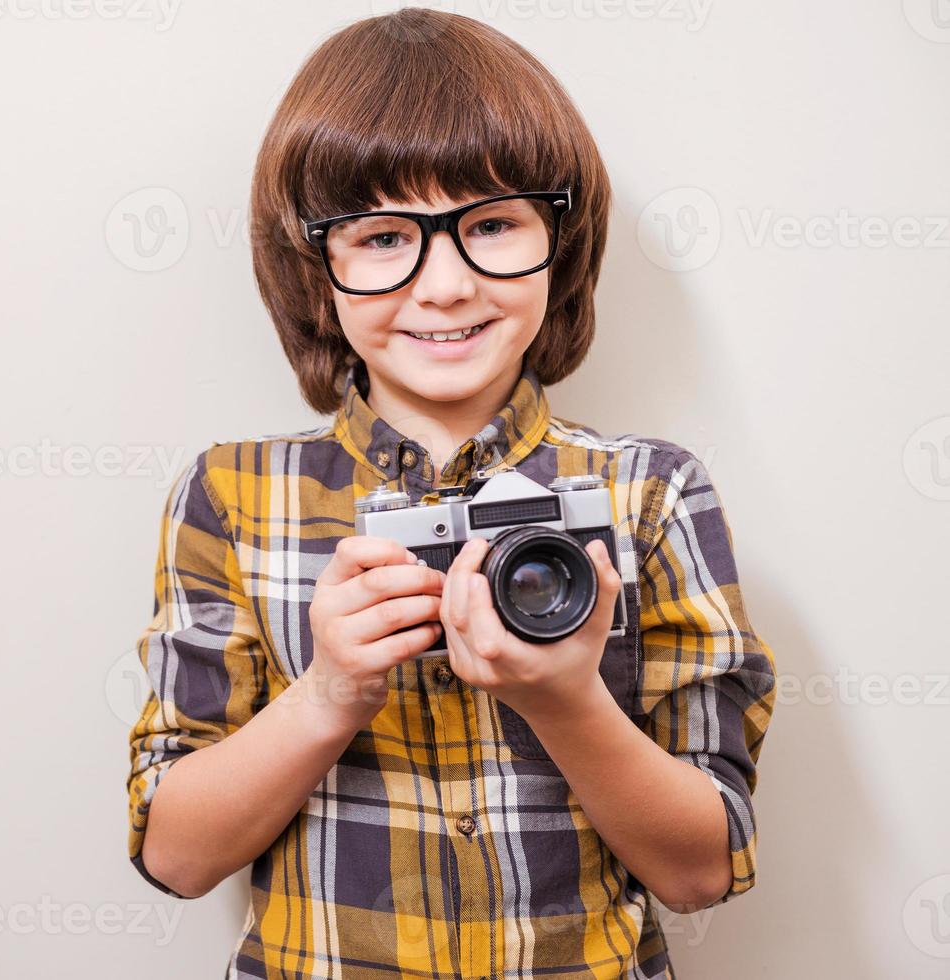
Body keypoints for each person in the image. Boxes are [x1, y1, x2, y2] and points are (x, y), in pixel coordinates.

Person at [124, 9, 777, 978]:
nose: (442, 283)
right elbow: (174, 853)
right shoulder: (230, 494)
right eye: (384, 236)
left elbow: (701, 866)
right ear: (315, 268)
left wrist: (564, 701)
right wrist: (330, 691)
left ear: (557, 241)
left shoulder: (649, 492)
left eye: (489, 225)